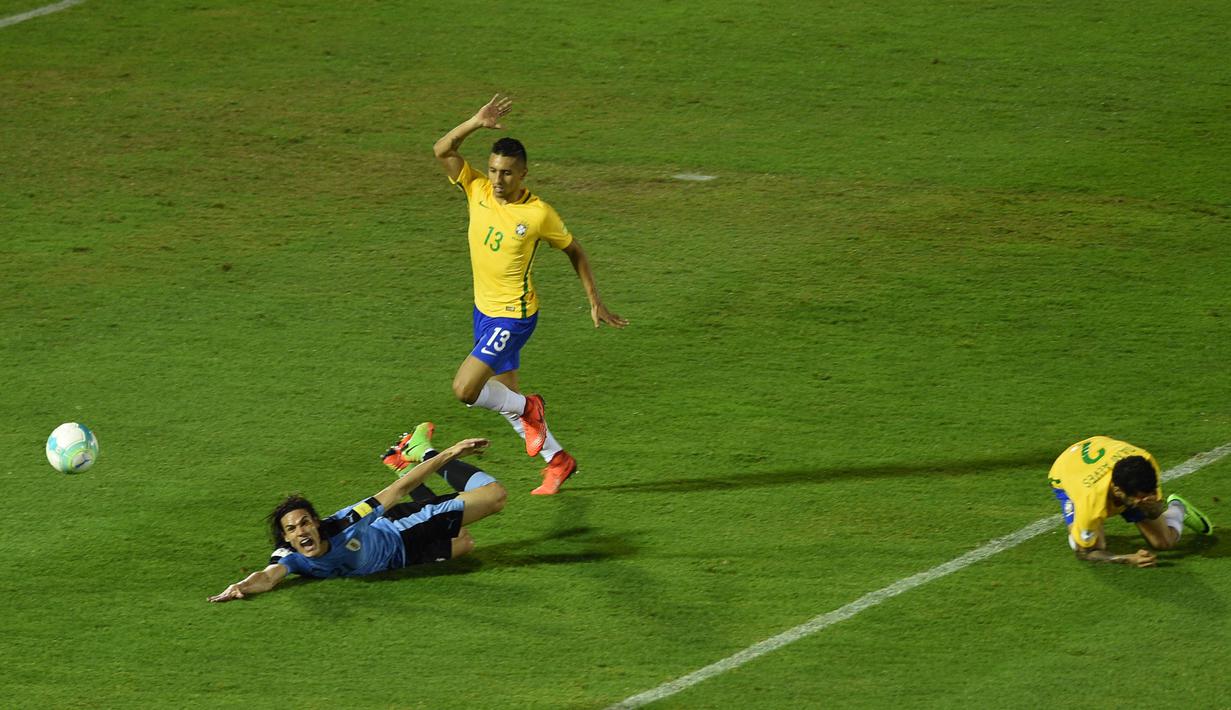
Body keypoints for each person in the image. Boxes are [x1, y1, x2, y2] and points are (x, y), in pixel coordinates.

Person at [427, 94, 628, 496]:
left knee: (467, 391)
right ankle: (558, 461)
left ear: (524, 174)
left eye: (507, 173)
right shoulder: (477, 189)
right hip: (483, 311)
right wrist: (475, 121)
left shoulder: (538, 214)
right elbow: (442, 149)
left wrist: (594, 298)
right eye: (494, 170)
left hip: (513, 317)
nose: (498, 180)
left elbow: (574, 249)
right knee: (505, 400)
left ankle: (531, 408)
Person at [208, 426, 502, 602]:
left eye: (305, 523)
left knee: (495, 497)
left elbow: (398, 491)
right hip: (399, 560)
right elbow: (268, 577)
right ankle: (402, 460)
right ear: (285, 537)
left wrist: (451, 452)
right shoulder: (290, 556)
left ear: (317, 523)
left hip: (402, 529)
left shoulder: (347, 522)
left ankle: (420, 449)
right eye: (293, 529)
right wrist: (240, 587)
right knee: (465, 543)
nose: (301, 532)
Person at [1048, 435, 1213, 567]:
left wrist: (1154, 507)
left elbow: (1154, 508)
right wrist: (1127, 559)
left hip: (1103, 448)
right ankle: (1080, 529)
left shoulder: (1146, 463)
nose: (1147, 499)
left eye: (1150, 493)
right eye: (1140, 497)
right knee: (1090, 545)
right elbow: (1084, 553)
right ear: (1118, 492)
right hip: (1067, 469)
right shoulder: (1090, 500)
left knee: (1164, 542)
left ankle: (1179, 507)